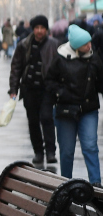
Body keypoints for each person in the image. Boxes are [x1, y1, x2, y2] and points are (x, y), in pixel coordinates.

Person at [45, 25, 103, 187]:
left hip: (88, 109)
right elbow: (49, 81)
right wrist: (61, 93)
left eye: (90, 43)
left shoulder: (94, 58)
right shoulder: (60, 57)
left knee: (91, 146)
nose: (90, 46)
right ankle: (66, 184)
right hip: (65, 110)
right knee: (67, 151)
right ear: (77, 45)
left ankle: (96, 183)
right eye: (86, 44)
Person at [9, 15, 59, 165]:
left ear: (46, 29)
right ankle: (38, 151)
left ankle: (50, 151)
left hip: (47, 89)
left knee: (46, 117)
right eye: (36, 28)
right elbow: (16, 68)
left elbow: (61, 67)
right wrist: (13, 89)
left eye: (42, 28)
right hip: (29, 89)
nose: (39, 31)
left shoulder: (54, 45)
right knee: (33, 121)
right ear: (33, 29)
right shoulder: (24, 45)